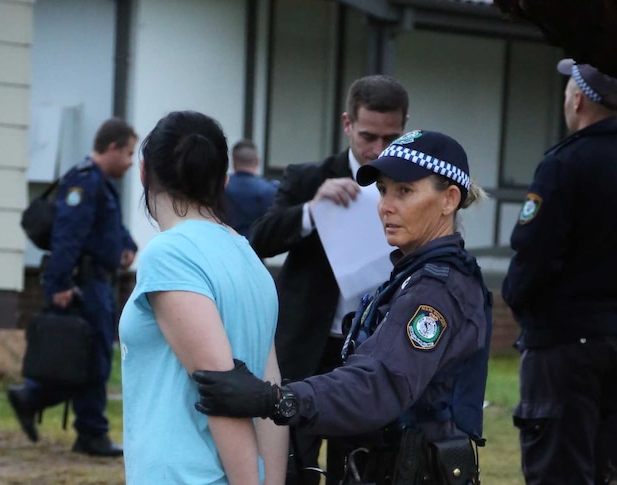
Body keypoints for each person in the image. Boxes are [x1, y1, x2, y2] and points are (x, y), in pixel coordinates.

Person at [194, 130, 491, 485]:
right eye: (383, 191)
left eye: (405, 191)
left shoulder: (436, 290)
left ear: (449, 200)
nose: (386, 205)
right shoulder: (411, 275)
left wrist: (275, 400)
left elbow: (378, 385)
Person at [503, 60, 617, 485]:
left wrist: (521, 302)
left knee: (557, 466)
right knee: (606, 464)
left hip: (563, 342)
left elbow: (532, 255)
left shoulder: (564, 165)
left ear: (578, 99)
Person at [249, 75, 409, 484]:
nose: (378, 150)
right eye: (369, 136)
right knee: (293, 462)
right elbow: (260, 240)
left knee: (360, 464)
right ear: (347, 125)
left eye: (391, 138)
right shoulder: (308, 177)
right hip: (306, 344)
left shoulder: (414, 186)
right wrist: (311, 210)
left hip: (371, 348)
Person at [118, 111, 287, 484]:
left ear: (144, 173)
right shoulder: (250, 259)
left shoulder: (169, 255)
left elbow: (221, 392)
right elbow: (268, 391)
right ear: (223, 181)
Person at [7, 118, 139, 456]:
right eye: (128, 153)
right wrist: (60, 284)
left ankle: (34, 398)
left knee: (89, 358)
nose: (130, 162)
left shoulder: (101, 183)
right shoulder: (84, 181)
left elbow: (107, 228)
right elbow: (67, 235)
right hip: (84, 284)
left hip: (97, 281)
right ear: (111, 148)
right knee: (92, 358)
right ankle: (90, 432)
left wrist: (127, 245)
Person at [225, 139, 278, 237]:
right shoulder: (270, 190)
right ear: (258, 160)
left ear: (233, 161)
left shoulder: (221, 187)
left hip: (227, 244)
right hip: (257, 248)